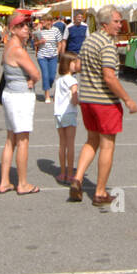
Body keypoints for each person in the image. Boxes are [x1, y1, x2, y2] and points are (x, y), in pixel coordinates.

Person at [69, 5, 137, 206]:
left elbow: (79, 66)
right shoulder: (107, 45)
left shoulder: (89, 40)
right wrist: (127, 99)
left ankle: (77, 178)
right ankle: (100, 192)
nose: (120, 25)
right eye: (116, 21)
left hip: (88, 100)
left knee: (91, 141)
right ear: (105, 23)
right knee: (107, 146)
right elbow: (109, 77)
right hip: (104, 102)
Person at [0, 11, 42, 194]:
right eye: (21, 26)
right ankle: (22, 183)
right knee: (22, 140)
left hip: (9, 94)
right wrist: (32, 80)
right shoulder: (18, 50)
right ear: (13, 29)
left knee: (10, 140)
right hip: (20, 97)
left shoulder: (9, 46)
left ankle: (4, 181)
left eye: (27, 25)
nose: (26, 28)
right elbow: (36, 74)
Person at [54, 51, 80, 185]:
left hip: (58, 113)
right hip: (69, 113)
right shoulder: (72, 80)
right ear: (69, 64)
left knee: (62, 143)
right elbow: (74, 99)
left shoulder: (59, 80)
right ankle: (70, 173)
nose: (77, 64)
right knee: (70, 144)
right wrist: (81, 101)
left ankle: (62, 172)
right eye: (75, 62)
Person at [36, 16, 62, 101]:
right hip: (42, 56)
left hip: (53, 56)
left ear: (50, 21)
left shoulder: (56, 30)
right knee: (45, 75)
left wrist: (58, 52)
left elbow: (59, 43)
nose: (43, 22)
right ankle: (47, 94)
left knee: (52, 76)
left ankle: (47, 85)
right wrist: (39, 42)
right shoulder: (40, 31)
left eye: (44, 20)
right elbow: (34, 43)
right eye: (42, 20)